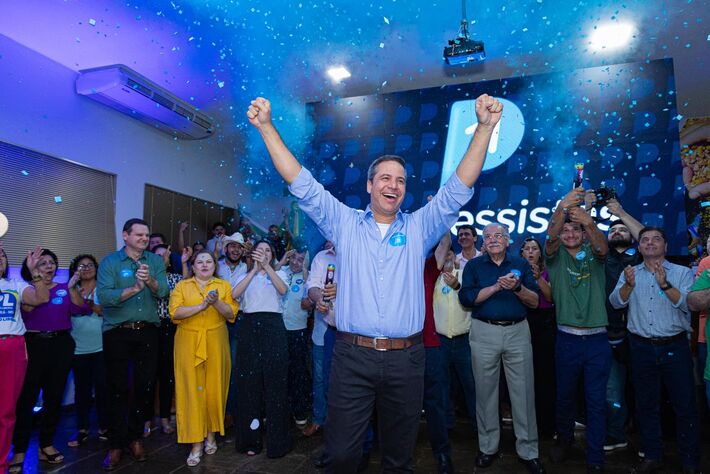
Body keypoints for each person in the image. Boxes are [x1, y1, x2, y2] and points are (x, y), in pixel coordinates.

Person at [246, 93, 500, 472]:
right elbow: (301, 182)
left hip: (406, 359)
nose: (393, 185)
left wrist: (483, 128)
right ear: (369, 185)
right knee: (343, 456)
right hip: (352, 357)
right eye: (385, 177)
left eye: (400, 180)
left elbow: (457, 189)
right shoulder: (344, 223)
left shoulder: (419, 228)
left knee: (399, 459)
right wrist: (267, 128)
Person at [610, 227, 699, 474]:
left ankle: (690, 460)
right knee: (646, 406)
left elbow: (688, 304)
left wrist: (665, 284)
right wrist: (628, 285)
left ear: (666, 246)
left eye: (656, 239)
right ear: (639, 248)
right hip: (641, 348)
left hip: (675, 347)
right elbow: (616, 302)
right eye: (645, 240)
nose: (650, 243)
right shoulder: (630, 273)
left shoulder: (681, 273)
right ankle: (652, 455)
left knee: (685, 406)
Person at [459, 223, 544, 474]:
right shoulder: (474, 266)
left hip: (518, 331)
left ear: (508, 241)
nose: (493, 239)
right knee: (485, 394)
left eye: (498, 236)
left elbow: (535, 301)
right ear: (483, 243)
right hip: (483, 331)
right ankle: (487, 448)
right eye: (488, 237)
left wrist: (517, 287)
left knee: (524, 393)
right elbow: (466, 299)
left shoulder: (521, 264)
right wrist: (497, 287)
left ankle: (528, 451)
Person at [544, 188, 610, 473]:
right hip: (567, 338)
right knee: (565, 396)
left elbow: (603, 248)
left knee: (596, 400)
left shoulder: (595, 255)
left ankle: (595, 455)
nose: (570, 234)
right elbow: (550, 238)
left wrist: (589, 222)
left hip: (597, 340)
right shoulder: (555, 257)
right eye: (566, 230)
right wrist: (563, 207)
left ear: (583, 233)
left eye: (576, 230)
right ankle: (564, 441)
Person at [97, 218, 169, 471]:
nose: (144, 238)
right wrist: (136, 287)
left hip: (148, 333)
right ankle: (116, 443)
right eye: (138, 234)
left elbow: (163, 292)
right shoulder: (110, 262)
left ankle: (135, 438)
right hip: (117, 333)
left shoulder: (155, 261)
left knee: (145, 387)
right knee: (116, 388)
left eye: (146, 235)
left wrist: (149, 281)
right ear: (125, 236)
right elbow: (105, 297)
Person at [11, 249, 90, 471]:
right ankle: (19, 450)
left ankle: (46, 445)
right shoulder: (25, 289)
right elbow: (29, 307)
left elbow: (81, 309)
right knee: (26, 400)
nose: (49, 266)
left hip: (61, 344)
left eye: (52, 262)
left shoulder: (65, 289)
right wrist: (36, 277)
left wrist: (72, 287)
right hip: (33, 344)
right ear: (32, 266)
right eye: (43, 263)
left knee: (54, 398)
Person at [169, 249, 238, 466]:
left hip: (216, 342)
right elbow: (175, 313)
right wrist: (201, 306)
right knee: (191, 391)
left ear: (214, 266)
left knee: (214, 389)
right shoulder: (182, 286)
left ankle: (211, 434)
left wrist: (216, 302)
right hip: (187, 343)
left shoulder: (223, 286)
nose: (205, 265)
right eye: (200, 261)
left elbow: (231, 314)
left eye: (209, 261)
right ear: (193, 265)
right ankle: (195, 443)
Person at [232, 240, 290, 457]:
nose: (264, 253)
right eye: (260, 250)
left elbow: (283, 290)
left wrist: (267, 268)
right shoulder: (243, 275)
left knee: (276, 384)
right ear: (253, 254)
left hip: (273, 327)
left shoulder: (280, 273)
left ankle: (278, 443)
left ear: (272, 255)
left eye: (268, 251)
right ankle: (250, 441)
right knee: (249, 384)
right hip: (248, 327)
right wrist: (254, 270)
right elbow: (235, 294)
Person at [0, 245, 49, 474]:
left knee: (6, 410)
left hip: (12, 346)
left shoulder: (15, 285)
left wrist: (35, 272)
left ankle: (1, 464)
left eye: (2, 254)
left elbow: (41, 297)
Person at [143, 244, 190, 437]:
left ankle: (164, 418)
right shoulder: (146, 279)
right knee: (147, 376)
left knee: (166, 376)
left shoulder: (176, 279)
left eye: (165, 256)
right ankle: (145, 419)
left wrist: (185, 262)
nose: (162, 258)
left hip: (170, 328)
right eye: (158, 256)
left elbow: (187, 284)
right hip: (150, 328)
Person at [67, 254, 109, 448]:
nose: (86, 268)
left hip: (102, 346)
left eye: (90, 265)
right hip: (78, 348)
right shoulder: (69, 288)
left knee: (103, 389)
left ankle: (104, 426)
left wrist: (92, 305)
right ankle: (82, 429)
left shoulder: (104, 287)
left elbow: (110, 311)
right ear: (75, 269)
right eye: (82, 266)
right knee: (82, 391)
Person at [519, 236, 556, 438]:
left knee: (544, 377)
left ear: (540, 252)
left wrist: (538, 278)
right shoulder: (515, 270)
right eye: (527, 249)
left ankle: (546, 425)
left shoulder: (549, 270)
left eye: (534, 248)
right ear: (522, 253)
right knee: (523, 378)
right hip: (523, 323)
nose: (531, 252)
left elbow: (551, 297)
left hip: (545, 325)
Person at [280, 249, 313, 426]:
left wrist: (306, 270)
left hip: (297, 331)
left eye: (300, 259)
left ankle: (299, 410)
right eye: (293, 258)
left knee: (298, 372)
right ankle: (278, 410)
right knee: (278, 371)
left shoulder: (308, 276)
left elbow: (310, 301)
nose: (295, 262)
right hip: (278, 330)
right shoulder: (280, 271)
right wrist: (283, 261)